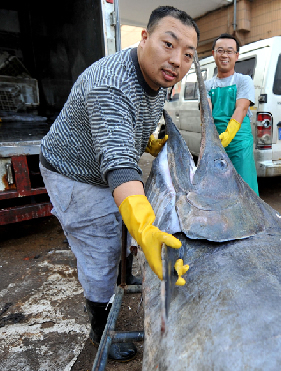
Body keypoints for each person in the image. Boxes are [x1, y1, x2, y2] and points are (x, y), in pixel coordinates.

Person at [39, 7, 199, 361]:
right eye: (168, 44)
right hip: (73, 172)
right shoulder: (110, 85)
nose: (176, 60)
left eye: (188, 55)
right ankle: (98, 320)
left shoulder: (157, 78)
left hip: (102, 167)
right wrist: (145, 228)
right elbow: (118, 164)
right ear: (144, 37)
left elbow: (127, 129)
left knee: (119, 235)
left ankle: (116, 275)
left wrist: (147, 142)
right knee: (101, 248)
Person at [205, 34, 259, 195]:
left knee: (245, 188)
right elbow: (206, 114)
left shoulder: (244, 81)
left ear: (236, 56)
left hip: (239, 144)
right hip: (215, 144)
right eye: (220, 50)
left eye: (229, 51)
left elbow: (241, 109)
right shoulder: (207, 85)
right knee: (218, 190)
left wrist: (229, 135)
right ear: (213, 53)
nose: (224, 55)